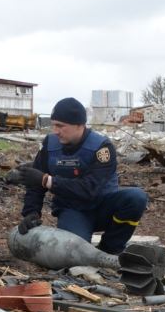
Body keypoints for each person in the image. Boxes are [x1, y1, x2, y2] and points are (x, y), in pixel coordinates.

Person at [12, 97, 148, 254]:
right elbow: (34, 184)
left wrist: (48, 181)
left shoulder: (101, 148)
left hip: (104, 207)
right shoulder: (50, 145)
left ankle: (111, 248)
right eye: (53, 125)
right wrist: (31, 212)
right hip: (73, 210)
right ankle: (84, 242)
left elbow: (90, 189)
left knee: (136, 197)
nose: (55, 131)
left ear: (79, 125)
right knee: (71, 253)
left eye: (60, 126)